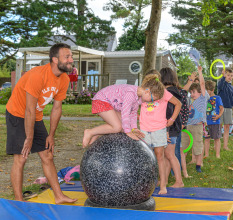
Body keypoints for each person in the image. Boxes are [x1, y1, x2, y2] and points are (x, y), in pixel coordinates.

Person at [6, 43, 77, 204]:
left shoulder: (64, 79)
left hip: (34, 116)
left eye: (71, 56)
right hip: (17, 113)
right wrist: (29, 138)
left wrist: (51, 135)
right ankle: (18, 200)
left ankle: (59, 196)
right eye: (67, 57)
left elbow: (57, 108)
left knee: (47, 154)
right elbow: (28, 109)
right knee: (21, 157)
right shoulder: (37, 75)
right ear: (54, 59)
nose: (71, 60)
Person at [82, 74, 164, 147]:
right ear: (147, 91)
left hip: (110, 104)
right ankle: (90, 132)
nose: (151, 102)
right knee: (117, 127)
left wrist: (134, 128)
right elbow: (125, 113)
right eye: (152, 99)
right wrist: (128, 132)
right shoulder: (131, 94)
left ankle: (97, 132)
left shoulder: (138, 99)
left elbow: (133, 114)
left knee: (122, 128)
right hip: (101, 101)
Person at [140, 70, 182, 195]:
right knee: (146, 158)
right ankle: (146, 184)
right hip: (144, 129)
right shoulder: (142, 93)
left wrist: (172, 119)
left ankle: (163, 185)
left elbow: (178, 104)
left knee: (160, 156)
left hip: (159, 129)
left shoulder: (164, 93)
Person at [181, 66, 209, 173]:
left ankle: (198, 166)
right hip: (188, 126)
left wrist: (200, 72)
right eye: (191, 92)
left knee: (197, 146)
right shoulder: (191, 102)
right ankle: (181, 165)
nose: (191, 94)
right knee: (184, 146)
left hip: (197, 127)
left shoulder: (203, 98)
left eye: (194, 92)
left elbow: (202, 84)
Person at [159, 67, 184, 188]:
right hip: (174, 127)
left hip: (170, 128)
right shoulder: (175, 90)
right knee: (167, 155)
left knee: (169, 155)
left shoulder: (168, 93)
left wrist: (167, 130)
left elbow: (168, 112)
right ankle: (165, 180)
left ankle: (179, 181)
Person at [217, 68, 233, 151]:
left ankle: (225, 146)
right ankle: (217, 145)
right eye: (228, 75)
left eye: (231, 76)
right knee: (218, 126)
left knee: (227, 126)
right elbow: (220, 86)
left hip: (228, 109)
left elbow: (231, 101)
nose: (230, 77)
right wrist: (223, 77)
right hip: (220, 108)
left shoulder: (232, 88)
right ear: (224, 75)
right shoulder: (221, 83)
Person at [205, 80, 224, 158]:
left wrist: (218, 116)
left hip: (215, 122)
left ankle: (217, 154)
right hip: (207, 123)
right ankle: (206, 154)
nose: (205, 92)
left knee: (217, 138)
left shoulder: (217, 98)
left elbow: (222, 108)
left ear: (212, 90)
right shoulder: (205, 98)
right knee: (206, 139)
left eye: (207, 91)